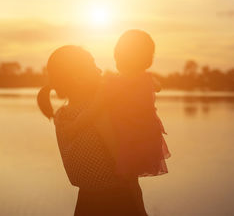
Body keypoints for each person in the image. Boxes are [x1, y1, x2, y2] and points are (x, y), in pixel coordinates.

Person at [37, 45, 147, 216]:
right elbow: (126, 169)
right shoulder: (99, 113)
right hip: (118, 203)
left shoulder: (61, 116)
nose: (100, 70)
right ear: (78, 77)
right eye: (93, 65)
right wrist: (141, 211)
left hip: (85, 204)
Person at [105, 29, 171, 178]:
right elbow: (158, 86)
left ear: (118, 55)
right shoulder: (146, 79)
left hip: (129, 138)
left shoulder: (114, 83)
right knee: (131, 180)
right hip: (147, 137)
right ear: (148, 59)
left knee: (125, 178)